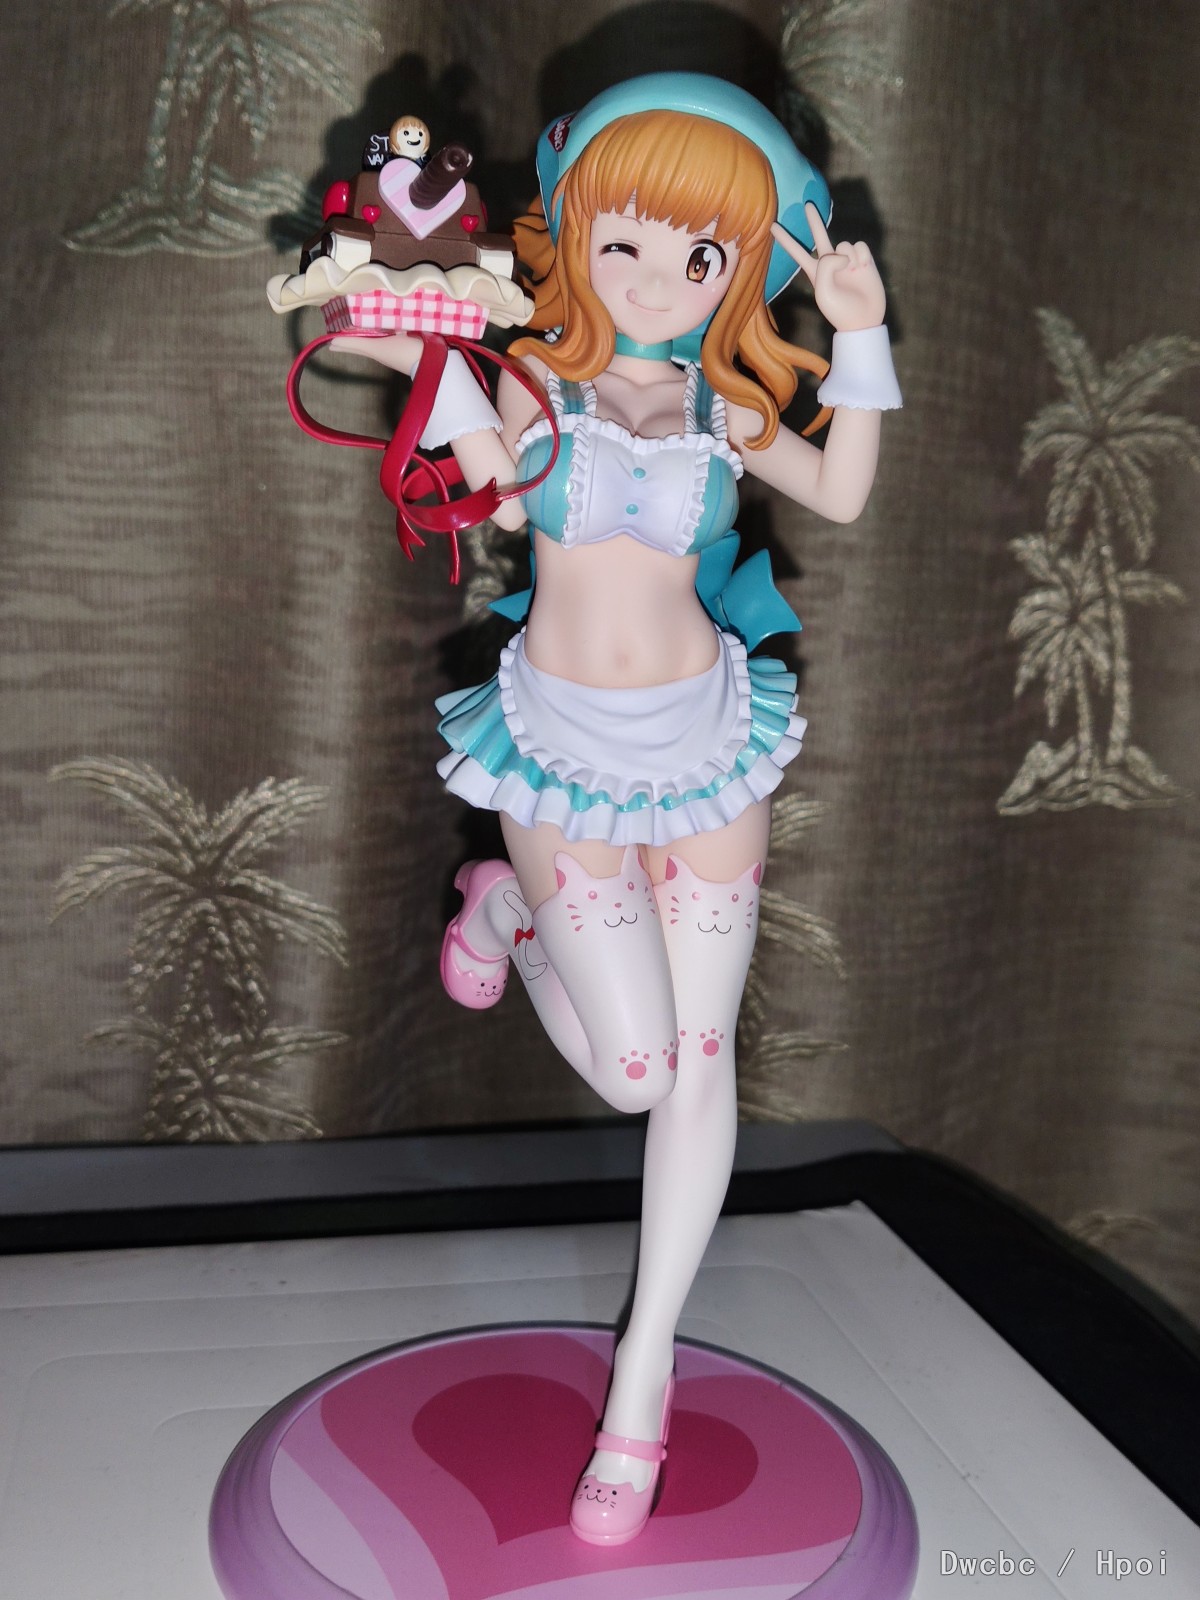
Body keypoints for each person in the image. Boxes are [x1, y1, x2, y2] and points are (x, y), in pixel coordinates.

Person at [332, 72, 900, 1546]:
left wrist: (860, 332)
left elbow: (841, 496)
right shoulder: (537, 386)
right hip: (562, 752)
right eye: (626, 240)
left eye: (698, 254)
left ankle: (639, 1390)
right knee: (638, 1070)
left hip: (709, 743)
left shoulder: (727, 406)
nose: (654, 277)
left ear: (737, 270)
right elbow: (487, 495)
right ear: (576, 230)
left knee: (703, 1064)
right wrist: (421, 361)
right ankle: (506, 915)